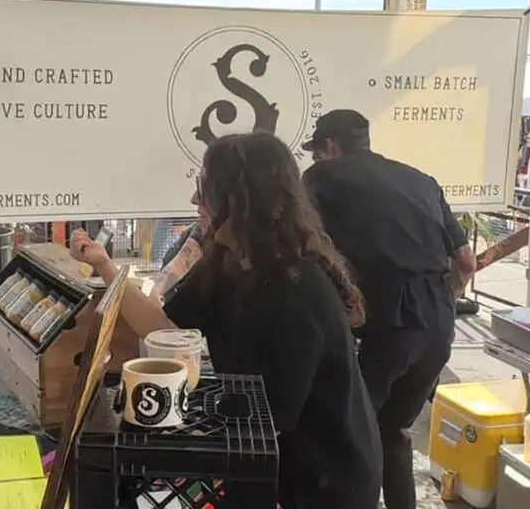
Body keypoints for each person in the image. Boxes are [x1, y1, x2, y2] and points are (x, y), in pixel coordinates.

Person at [71, 133, 382, 509]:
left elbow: (269, 421)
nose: (194, 201)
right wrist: (106, 267)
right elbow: (165, 330)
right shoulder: (226, 263)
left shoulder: (295, 290)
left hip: (322, 481)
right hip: (273, 463)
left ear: (240, 200)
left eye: (204, 189)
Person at [302, 109, 475, 509]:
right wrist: (440, 301)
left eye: (317, 152)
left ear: (331, 146)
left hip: (383, 324)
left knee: (348, 434)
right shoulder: (421, 180)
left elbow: (304, 244)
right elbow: (466, 263)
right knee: (392, 429)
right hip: (438, 327)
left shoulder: (322, 177)